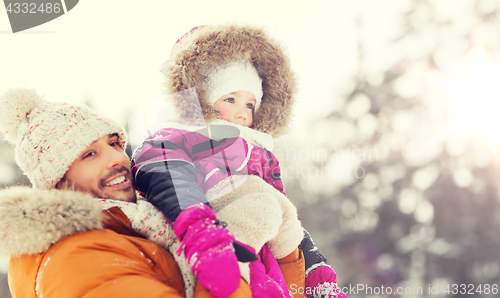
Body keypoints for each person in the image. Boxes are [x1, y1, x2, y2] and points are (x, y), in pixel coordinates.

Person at [131, 24, 346, 298]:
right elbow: (161, 166)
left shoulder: (259, 153)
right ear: (201, 100)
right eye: (230, 99)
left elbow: (286, 219)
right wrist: (206, 237)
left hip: (266, 252)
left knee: (274, 211)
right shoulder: (182, 136)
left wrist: (316, 273)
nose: (242, 113)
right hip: (213, 239)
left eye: (249, 105)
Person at [0, 88, 253, 298]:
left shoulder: (141, 224)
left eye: (113, 144)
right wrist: (231, 259)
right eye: (89, 154)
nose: (116, 158)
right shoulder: (77, 258)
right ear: (57, 183)